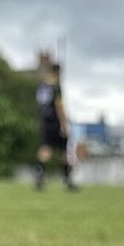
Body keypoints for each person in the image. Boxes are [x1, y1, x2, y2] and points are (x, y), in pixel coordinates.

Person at [33, 62, 76, 191]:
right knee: (64, 151)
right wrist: (64, 124)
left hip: (45, 122)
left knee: (45, 148)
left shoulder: (42, 86)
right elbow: (59, 106)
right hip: (56, 122)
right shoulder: (56, 87)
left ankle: (40, 174)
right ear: (58, 72)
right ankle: (67, 180)